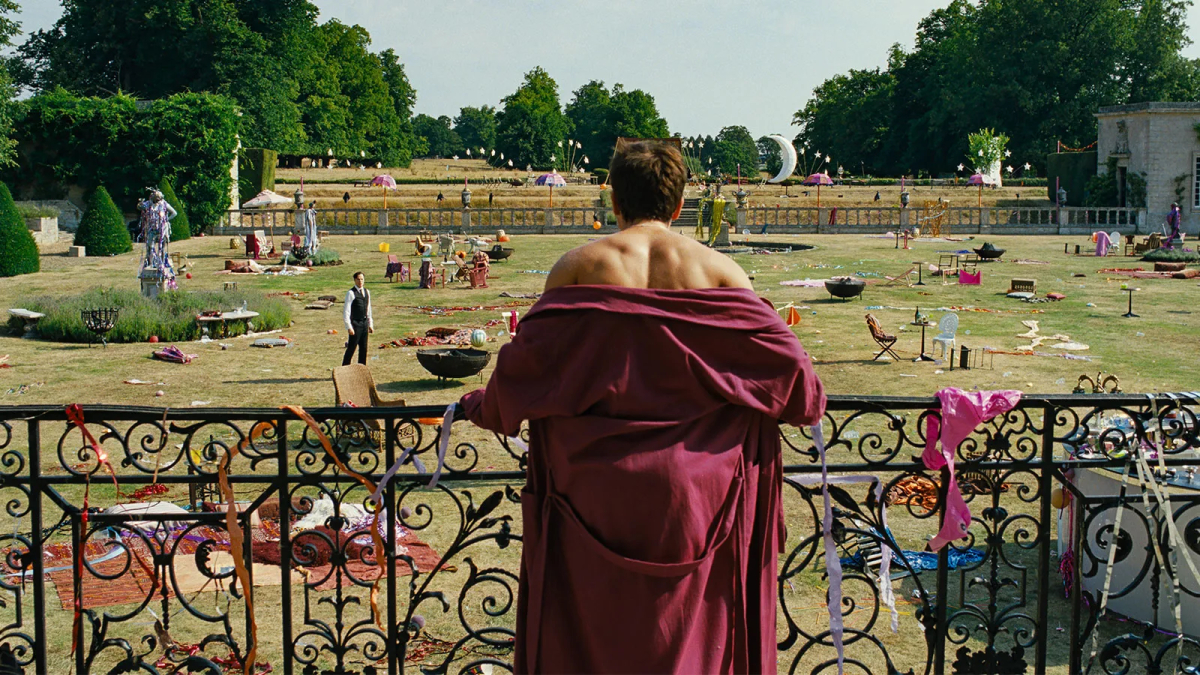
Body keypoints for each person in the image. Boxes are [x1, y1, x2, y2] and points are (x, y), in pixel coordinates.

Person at [459, 141, 825, 673]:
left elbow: (524, 375)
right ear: (679, 205)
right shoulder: (722, 273)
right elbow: (799, 388)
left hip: (590, 494)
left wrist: (480, 405)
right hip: (700, 502)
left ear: (614, 200)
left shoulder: (579, 267)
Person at [342, 272, 374, 365]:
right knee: (352, 347)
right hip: (355, 324)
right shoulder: (351, 293)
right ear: (355, 280)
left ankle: (362, 369)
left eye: (362, 279)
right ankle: (345, 368)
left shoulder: (367, 292)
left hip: (364, 323)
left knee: (364, 348)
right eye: (358, 279)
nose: (360, 281)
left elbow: (368, 309)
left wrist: (370, 324)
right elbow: (346, 311)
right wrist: (349, 327)